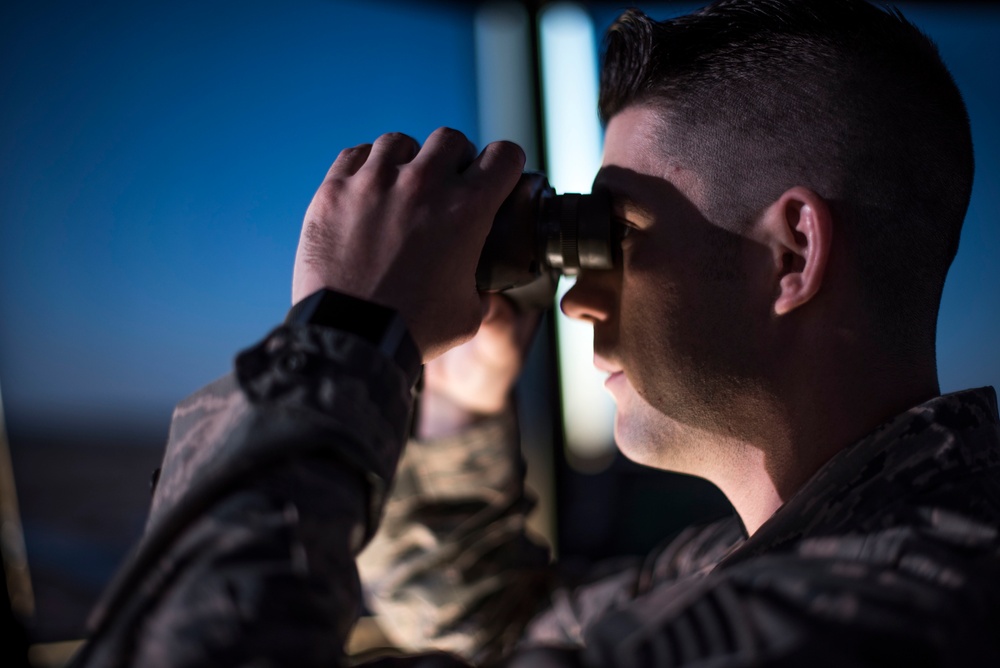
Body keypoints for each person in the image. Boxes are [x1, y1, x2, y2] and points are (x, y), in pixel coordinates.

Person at [71, 1, 1000, 666]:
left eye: (613, 237)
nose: (576, 301)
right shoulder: (791, 556)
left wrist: (348, 332)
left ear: (792, 254)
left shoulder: (870, 614)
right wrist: (461, 404)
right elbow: (493, 631)